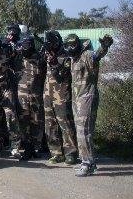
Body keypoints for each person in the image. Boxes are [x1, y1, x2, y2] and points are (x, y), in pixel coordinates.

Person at [64, 33, 113, 176]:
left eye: (73, 45)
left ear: (78, 44)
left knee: (84, 131)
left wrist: (104, 47)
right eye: (68, 45)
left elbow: (97, 55)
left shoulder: (86, 55)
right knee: (81, 132)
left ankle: (87, 163)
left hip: (87, 97)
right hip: (77, 99)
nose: (70, 48)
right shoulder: (73, 58)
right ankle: (87, 161)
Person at [43, 30, 78, 164]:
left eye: (52, 43)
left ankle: (71, 153)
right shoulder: (47, 54)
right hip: (48, 94)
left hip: (62, 95)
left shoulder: (66, 56)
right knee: (50, 124)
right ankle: (56, 153)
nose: (50, 46)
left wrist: (55, 64)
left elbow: (63, 76)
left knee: (65, 124)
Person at [15, 35, 47, 159]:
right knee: (23, 122)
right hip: (22, 95)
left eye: (27, 45)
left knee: (37, 121)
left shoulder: (40, 58)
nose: (24, 48)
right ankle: (27, 147)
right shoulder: (18, 58)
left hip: (36, 94)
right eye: (23, 45)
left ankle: (35, 147)